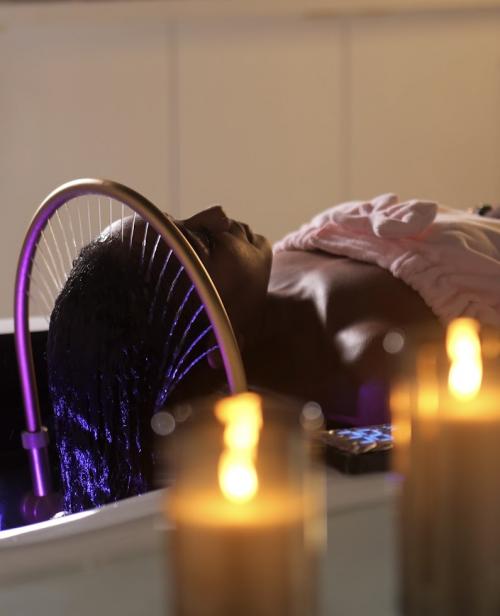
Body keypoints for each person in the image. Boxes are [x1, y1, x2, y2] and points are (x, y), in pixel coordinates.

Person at [47, 196, 500, 512]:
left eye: (180, 219)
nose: (216, 213)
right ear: (209, 346)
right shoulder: (378, 363)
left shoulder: (274, 268)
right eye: (202, 243)